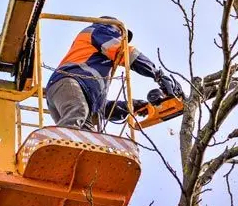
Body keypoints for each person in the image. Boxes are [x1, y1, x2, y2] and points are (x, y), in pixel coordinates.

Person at [45, 16, 177, 131]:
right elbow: (127, 53)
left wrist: (131, 106)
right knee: (78, 111)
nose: (121, 38)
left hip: (66, 90)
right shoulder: (99, 31)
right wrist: (158, 75)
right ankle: (54, 152)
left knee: (89, 138)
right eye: (120, 33)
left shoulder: (96, 74)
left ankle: (64, 155)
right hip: (68, 82)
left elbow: (103, 108)